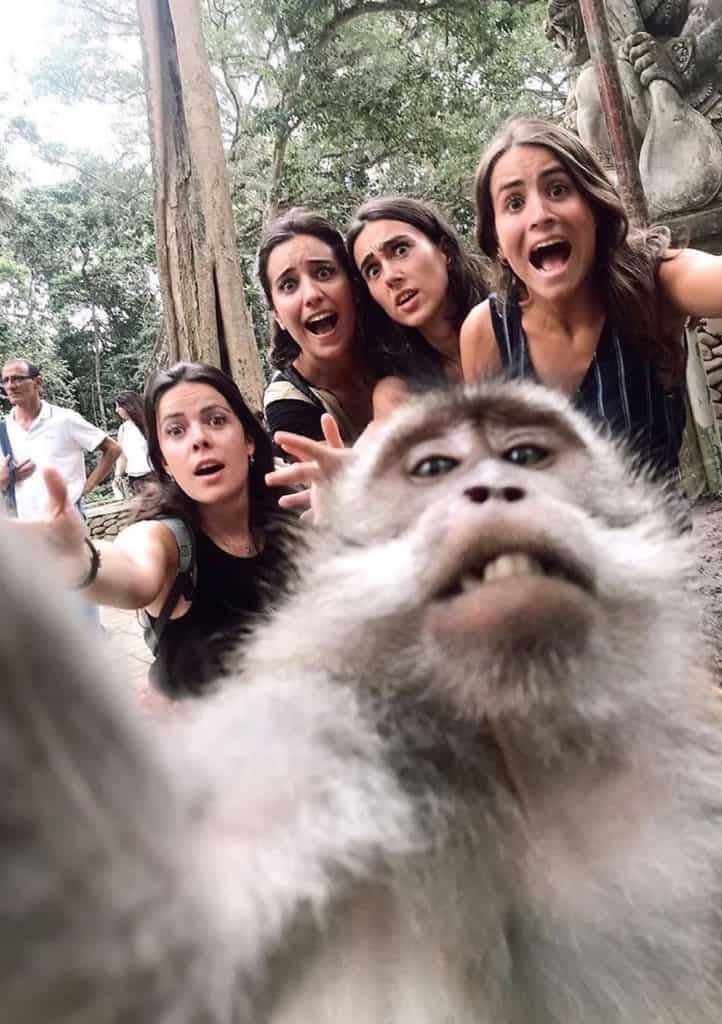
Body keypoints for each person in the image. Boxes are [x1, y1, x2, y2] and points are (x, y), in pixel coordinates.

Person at [460, 117, 722, 476]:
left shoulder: (653, 282)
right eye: (514, 203)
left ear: (594, 210)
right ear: (497, 243)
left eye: (557, 190)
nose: (540, 215)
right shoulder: (487, 333)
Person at [12, 362, 292, 700]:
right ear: (163, 463)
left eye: (216, 420)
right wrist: (79, 561)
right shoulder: (166, 538)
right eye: (176, 431)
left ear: (248, 439)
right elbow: (134, 572)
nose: (199, 439)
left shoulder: (294, 517)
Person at [257, 208, 381, 453]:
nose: (312, 295)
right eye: (289, 285)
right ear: (278, 315)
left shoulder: (399, 343)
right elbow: (330, 480)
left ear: (354, 286)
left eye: (323, 272)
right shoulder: (287, 400)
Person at [346, 196, 488, 383]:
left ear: (444, 251)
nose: (390, 277)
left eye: (400, 250)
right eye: (373, 270)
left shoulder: (514, 323)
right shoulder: (399, 391)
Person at [0, 358, 120, 518]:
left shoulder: (64, 419)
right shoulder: (3, 430)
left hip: (67, 523)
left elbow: (113, 449)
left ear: (38, 382)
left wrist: (87, 487)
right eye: (5, 380)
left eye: (17, 379)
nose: (10, 386)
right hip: (24, 529)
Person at [114, 390, 156, 495]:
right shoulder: (123, 429)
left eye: (119, 406)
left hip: (153, 476)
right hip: (135, 480)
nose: (117, 410)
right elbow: (122, 456)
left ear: (128, 406)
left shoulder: (150, 424)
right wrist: (118, 475)